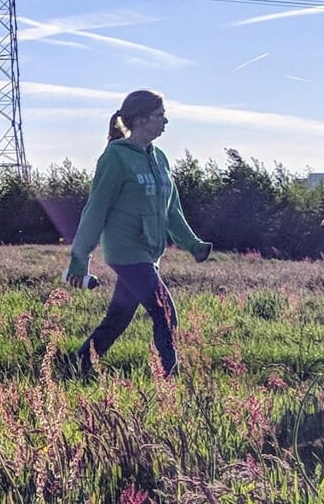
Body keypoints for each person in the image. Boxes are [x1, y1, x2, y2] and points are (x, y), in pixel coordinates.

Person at [65, 90, 213, 377]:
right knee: (164, 312)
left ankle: (78, 365)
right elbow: (96, 208)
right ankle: (169, 380)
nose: (165, 121)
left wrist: (191, 244)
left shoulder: (160, 159)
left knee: (118, 318)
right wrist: (80, 256)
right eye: (160, 115)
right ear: (143, 119)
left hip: (149, 252)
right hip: (126, 250)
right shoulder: (115, 158)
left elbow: (172, 210)